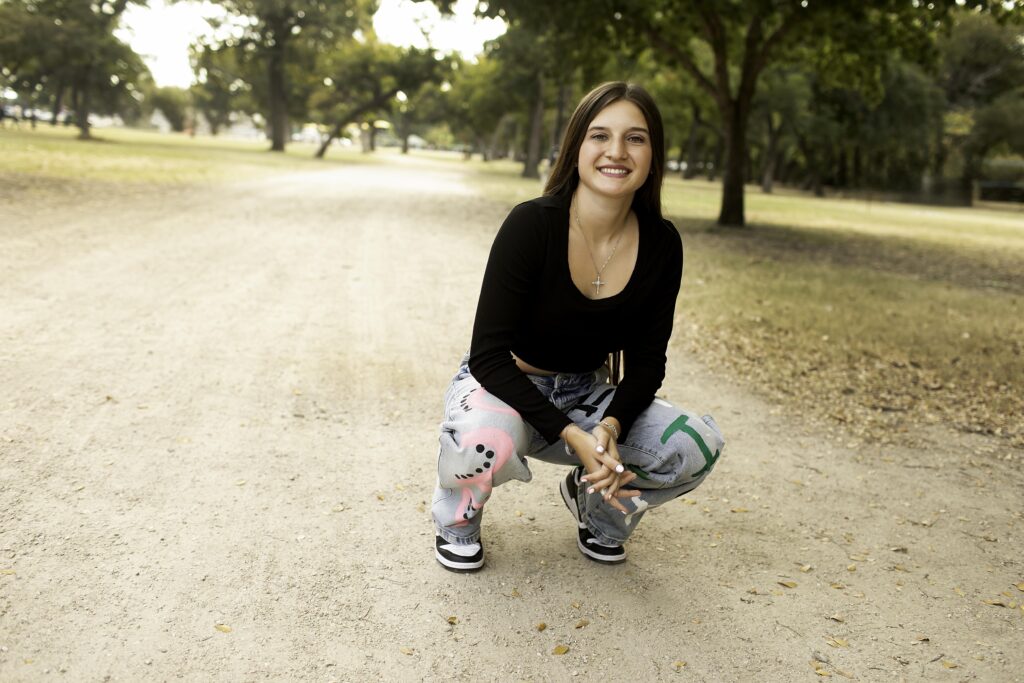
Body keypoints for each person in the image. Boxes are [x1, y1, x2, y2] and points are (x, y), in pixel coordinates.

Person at [432, 81, 724, 572]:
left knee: (694, 445)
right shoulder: (531, 225)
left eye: (635, 138)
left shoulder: (661, 243)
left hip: (588, 395)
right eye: (599, 136)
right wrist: (570, 435)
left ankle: (598, 510)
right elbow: (487, 357)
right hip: (508, 388)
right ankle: (457, 517)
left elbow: (648, 362)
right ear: (576, 148)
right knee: (488, 443)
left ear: (654, 153)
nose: (616, 151)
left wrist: (610, 426)